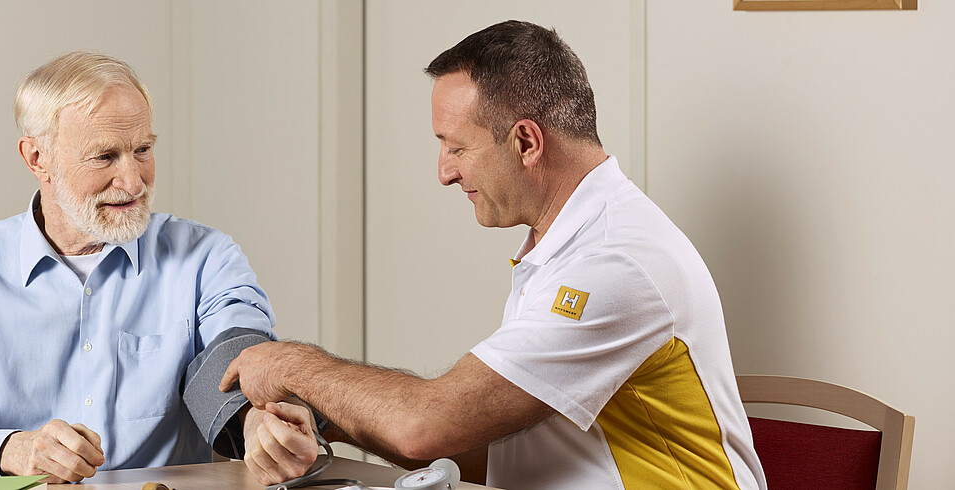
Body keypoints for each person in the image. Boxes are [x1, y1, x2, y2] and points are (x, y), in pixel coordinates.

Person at [221, 20, 768, 489]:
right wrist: (329, 421)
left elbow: (426, 425)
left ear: (526, 143)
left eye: (456, 147)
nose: (444, 172)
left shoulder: (615, 265)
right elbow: (503, 452)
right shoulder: (564, 248)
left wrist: (289, 365)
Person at [0, 51, 295, 484]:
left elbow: (237, 356)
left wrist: (255, 420)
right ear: (37, 159)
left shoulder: (206, 256)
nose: (134, 180)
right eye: (104, 157)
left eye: (142, 149)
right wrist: (17, 449)